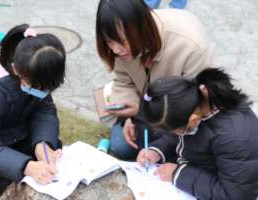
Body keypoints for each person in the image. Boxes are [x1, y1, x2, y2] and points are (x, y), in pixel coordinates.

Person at [96, 0, 216, 159]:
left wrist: (159, 147)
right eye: (109, 41)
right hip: (149, 111)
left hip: (182, 119)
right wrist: (131, 115)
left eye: (122, 41)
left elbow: (199, 109)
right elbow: (123, 81)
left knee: (180, 154)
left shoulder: (190, 47)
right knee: (121, 146)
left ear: (142, 28)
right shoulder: (118, 43)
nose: (116, 50)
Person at [0, 24, 66, 188]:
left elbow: (45, 111)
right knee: (1, 173)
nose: (43, 92)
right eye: (38, 87)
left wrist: (42, 144)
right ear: (16, 69)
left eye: (47, 88)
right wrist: (27, 167)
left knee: (53, 150)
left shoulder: (36, 73)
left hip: (10, 130)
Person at [136, 68, 258, 199]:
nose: (173, 134)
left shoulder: (235, 139)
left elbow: (235, 196)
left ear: (193, 120)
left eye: (173, 130)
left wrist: (178, 174)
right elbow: (179, 136)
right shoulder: (193, 104)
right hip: (200, 171)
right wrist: (157, 150)